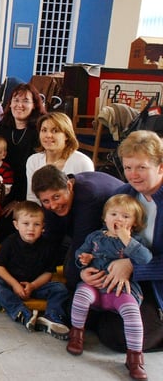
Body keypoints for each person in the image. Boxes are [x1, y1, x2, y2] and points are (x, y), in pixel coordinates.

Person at [85, 130, 163, 355]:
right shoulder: (124, 194)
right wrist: (88, 268)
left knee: (120, 337)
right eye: (128, 167)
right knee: (79, 310)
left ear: (160, 166)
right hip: (127, 279)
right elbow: (103, 237)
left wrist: (133, 266)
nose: (133, 174)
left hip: (155, 284)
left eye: (141, 167)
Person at [67, 194, 151, 380]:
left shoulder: (135, 241)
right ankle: (76, 334)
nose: (118, 219)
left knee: (132, 312)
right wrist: (84, 260)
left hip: (120, 291)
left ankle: (135, 357)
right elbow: (81, 254)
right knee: (81, 295)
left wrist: (126, 239)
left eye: (126, 216)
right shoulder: (95, 237)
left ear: (135, 223)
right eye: (113, 214)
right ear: (105, 218)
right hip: (95, 288)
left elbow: (145, 259)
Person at [30, 164, 124, 291]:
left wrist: (73, 285)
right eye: (46, 201)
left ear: (69, 186)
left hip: (119, 230)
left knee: (72, 272)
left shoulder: (88, 196)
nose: (53, 205)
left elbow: (81, 244)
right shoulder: (51, 201)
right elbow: (51, 237)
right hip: (83, 223)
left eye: (56, 197)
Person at [0, 201, 69, 340]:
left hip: (35, 285)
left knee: (60, 288)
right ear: (16, 225)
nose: (31, 229)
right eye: (26, 224)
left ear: (43, 227)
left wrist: (33, 286)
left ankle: (53, 317)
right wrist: (14, 284)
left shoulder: (48, 246)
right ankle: (22, 313)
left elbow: (48, 273)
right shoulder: (10, 242)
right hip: (11, 284)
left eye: (36, 224)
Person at [0, 83, 45, 236]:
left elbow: (38, 173)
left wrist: (19, 200)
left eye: (25, 101)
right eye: (16, 100)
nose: (19, 105)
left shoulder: (39, 131)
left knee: (11, 229)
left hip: (29, 190)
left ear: (34, 105)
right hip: (5, 187)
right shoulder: (3, 127)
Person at [26, 112, 94, 203]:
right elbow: (32, 198)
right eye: (44, 130)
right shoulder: (33, 161)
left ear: (66, 135)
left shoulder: (82, 162)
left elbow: (87, 199)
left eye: (55, 131)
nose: (48, 135)